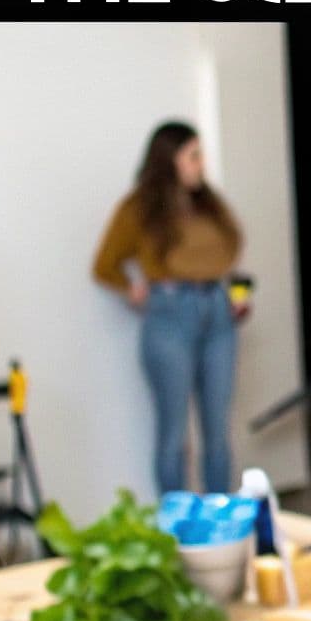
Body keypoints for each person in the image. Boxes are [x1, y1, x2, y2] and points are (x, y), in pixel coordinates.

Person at [93, 121, 247, 496]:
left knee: (217, 431)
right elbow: (104, 264)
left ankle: (220, 525)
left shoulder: (207, 203)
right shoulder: (139, 209)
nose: (201, 164)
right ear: (170, 159)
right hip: (170, 317)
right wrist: (133, 290)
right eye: (193, 156)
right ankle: (177, 530)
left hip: (218, 312)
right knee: (174, 434)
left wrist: (236, 294)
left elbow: (231, 247)